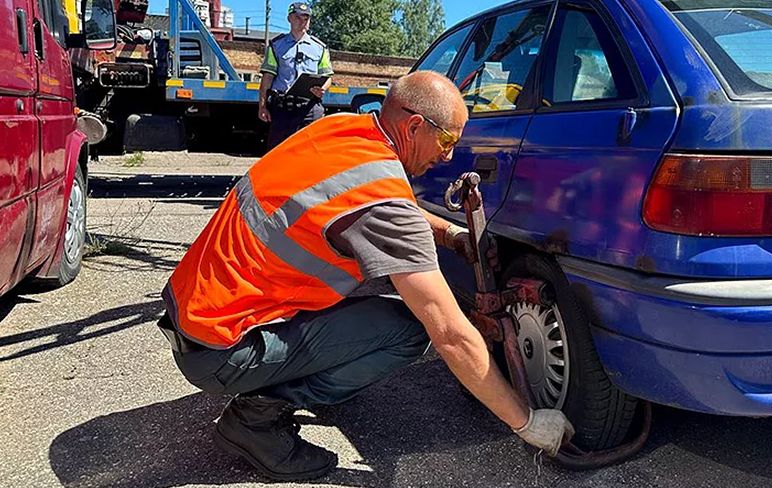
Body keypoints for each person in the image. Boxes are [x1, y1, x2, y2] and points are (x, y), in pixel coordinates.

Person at [158, 71, 574, 481]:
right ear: (415, 126)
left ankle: (296, 375)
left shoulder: (341, 130)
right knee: (411, 330)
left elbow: (376, 200)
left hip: (194, 315)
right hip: (222, 351)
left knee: (374, 316)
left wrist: (449, 235)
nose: (448, 156)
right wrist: (526, 422)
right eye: (447, 141)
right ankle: (254, 420)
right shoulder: (381, 198)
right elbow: (450, 333)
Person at [257, 2, 333, 150]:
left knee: (311, 152)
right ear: (289, 19)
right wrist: (262, 106)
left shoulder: (320, 48)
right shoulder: (276, 46)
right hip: (283, 108)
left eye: (306, 18)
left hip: (309, 108)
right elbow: (267, 78)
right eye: (298, 17)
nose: (302, 22)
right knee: (279, 152)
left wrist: (322, 89)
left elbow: (327, 76)